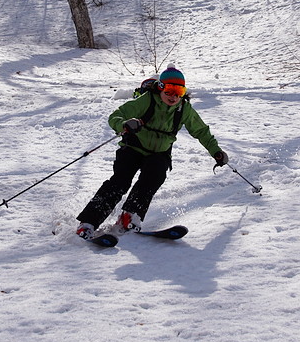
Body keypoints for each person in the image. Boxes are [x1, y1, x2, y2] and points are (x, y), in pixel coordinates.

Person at [76, 67, 228, 239]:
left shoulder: (184, 109)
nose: (173, 96)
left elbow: (201, 131)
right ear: (160, 87)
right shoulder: (146, 100)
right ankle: (88, 223)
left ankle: (130, 217)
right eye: (169, 90)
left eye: (179, 91)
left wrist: (216, 151)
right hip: (133, 147)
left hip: (159, 153)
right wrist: (125, 124)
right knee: (120, 182)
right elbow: (116, 116)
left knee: (153, 177)